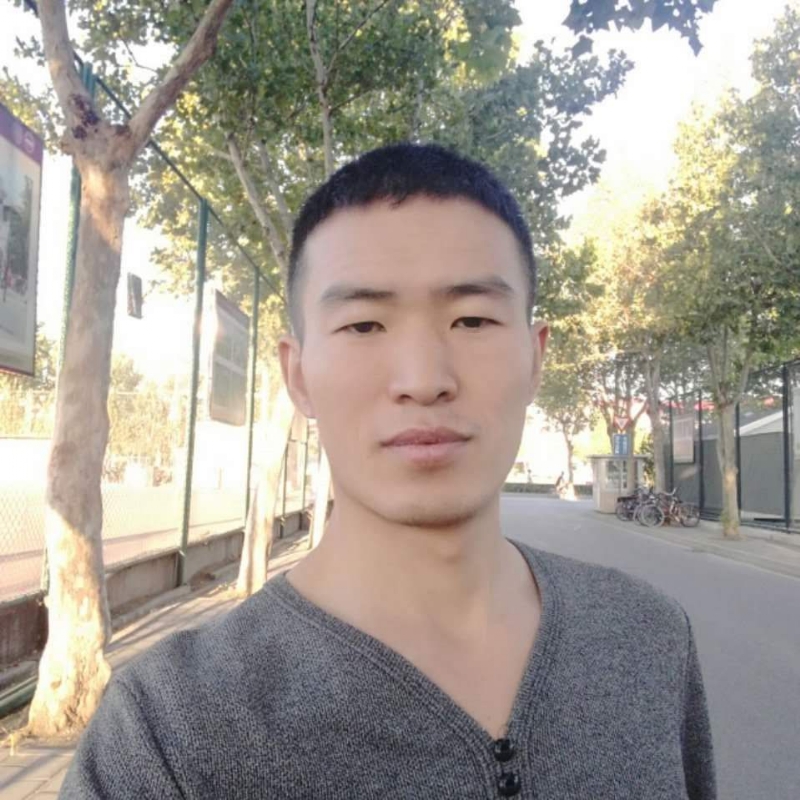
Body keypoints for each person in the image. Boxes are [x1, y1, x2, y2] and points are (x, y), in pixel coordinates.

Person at [61, 144, 715, 799]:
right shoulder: (167, 732)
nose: (423, 380)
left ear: (535, 358)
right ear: (298, 375)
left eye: (473, 319)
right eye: (364, 325)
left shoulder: (646, 637)